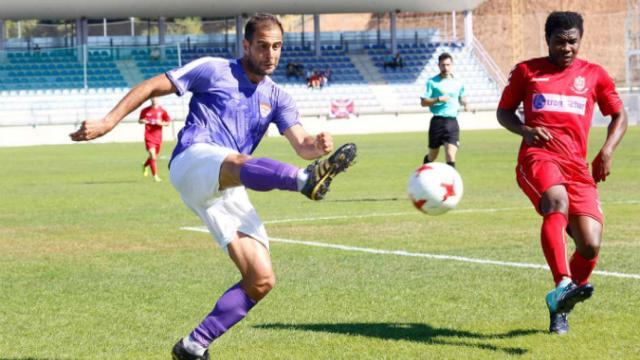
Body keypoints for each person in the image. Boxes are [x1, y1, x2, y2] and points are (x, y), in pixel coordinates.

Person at [69, 13, 357, 359]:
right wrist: (107, 122)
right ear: (246, 45)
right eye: (263, 46)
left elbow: (302, 145)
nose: (271, 54)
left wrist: (318, 146)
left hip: (229, 186)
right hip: (194, 160)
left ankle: (194, 344)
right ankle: (303, 180)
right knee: (237, 161)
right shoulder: (213, 69)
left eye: (277, 46)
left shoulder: (278, 97)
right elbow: (150, 86)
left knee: (261, 278)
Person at [496, 11, 627, 335]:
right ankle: (563, 282)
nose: (566, 48)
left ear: (580, 41)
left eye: (573, 41)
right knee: (556, 202)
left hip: (577, 166)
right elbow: (503, 112)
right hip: (538, 157)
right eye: (559, 41)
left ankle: (561, 304)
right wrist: (526, 130)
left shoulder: (594, 75)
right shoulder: (527, 71)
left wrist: (607, 150)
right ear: (548, 41)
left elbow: (619, 115)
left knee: (590, 246)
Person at [420, 52, 469, 167]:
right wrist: (438, 99)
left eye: (448, 65)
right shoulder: (432, 82)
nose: (445, 67)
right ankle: (422, 174)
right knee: (432, 156)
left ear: (452, 65)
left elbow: (462, 96)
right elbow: (423, 102)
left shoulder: (458, 82)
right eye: (443, 65)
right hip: (437, 122)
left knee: (450, 155)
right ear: (438, 66)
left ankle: (451, 183)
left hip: (452, 122)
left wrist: (465, 103)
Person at [139, 97, 170, 182]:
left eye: (155, 98)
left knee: (154, 157)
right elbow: (140, 120)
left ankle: (145, 165)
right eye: (152, 98)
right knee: (153, 155)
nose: (154, 100)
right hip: (148, 136)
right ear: (150, 100)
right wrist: (143, 121)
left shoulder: (162, 111)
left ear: (158, 99)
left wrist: (161, 123)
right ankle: (155, 176)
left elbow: (168, 122)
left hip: (158, 137)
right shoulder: (145, 110)